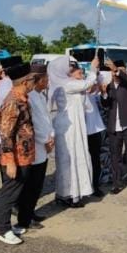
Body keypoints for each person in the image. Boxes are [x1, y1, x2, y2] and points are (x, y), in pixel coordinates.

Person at [0, 63, 37, 245]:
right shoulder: (13, 102)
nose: (34, 84)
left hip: (25, 155)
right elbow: (6, 134)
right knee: (9, 194)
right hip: (15, 157)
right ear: (26, 81)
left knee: (18, 191)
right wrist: (10, 161)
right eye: (33, 80)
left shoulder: (23, 98)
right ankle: (2, 229)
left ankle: (11, 226)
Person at [48, 56, 97, 207]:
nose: (70, 67)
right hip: (68, 127)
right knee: (67, 161)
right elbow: (88, 83)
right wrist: (93, 68)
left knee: (75, 157)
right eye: (67, 65)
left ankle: (74, 193)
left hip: (73, 125)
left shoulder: (64, 83)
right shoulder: (65, 84)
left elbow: (86, 89)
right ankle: (66, 194)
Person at [101, 59, 127, 195]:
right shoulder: (109, 86)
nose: (116, 73)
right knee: (115, 157)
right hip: (114, 127)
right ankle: (117, 184)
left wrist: (117, 69)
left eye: (119, 71)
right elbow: (106, 105)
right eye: (113, 71)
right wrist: (104, 94)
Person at [21, 64, 55, 228]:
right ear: (39, 79)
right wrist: (46, 140)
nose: (48, 82)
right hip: (36, 146)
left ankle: (31, 213)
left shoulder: (40, 95)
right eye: (46, 79)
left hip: (44, 145)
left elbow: (47, 120)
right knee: (30, 185)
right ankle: (25, 219)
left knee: (38, 184)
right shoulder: (30, 97)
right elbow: (34, 124)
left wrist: (51, 137)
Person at [84, 73, 107, 198]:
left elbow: (105, 103)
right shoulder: (80, 93)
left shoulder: (93, 96)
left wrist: (102, 91)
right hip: (85, 132)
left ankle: (95, 185)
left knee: (95, 160)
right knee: (86, 161)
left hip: (96, 131)